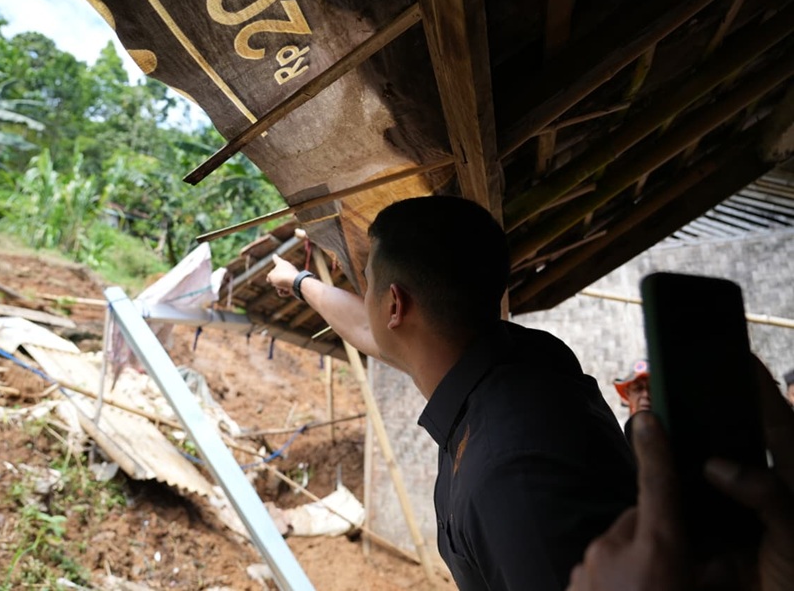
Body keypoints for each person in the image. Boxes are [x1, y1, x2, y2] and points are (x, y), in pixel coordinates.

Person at [267, 196, 637, 591]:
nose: (365, 295)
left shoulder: (512, 473)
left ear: (395, 304)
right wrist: (298, 281)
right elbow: (366, 328)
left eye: (369, 281)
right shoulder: (522, 361)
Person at [567, 359, 794, 591]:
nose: (645, 394)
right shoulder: (610, 447)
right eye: (637, 388)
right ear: (627, 398)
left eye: (650, 387)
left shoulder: (691, 446)